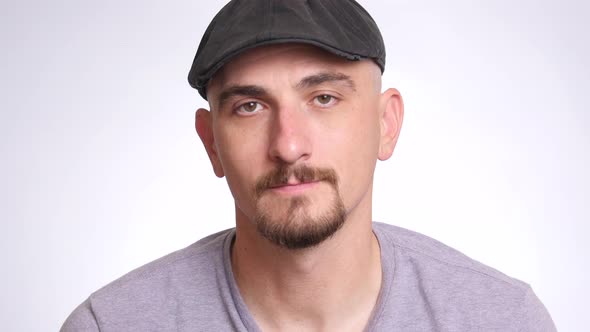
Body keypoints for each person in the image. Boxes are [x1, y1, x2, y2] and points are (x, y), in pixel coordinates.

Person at [61, 0, 556, 331]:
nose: (289, 145)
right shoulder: (112, 325)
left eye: (323, 98)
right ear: (211, 142)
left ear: (387, 124)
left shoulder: (501, 320)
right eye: (249, 107)